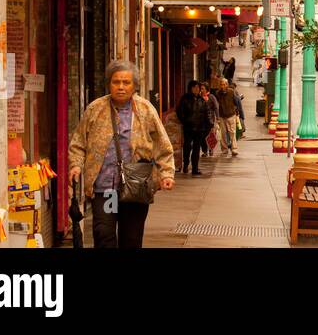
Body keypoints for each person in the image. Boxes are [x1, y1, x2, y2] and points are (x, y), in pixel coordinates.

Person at [68, 59, 174, 248]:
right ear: (109, 84)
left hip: (135, 188)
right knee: (104, 234)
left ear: (134, 86)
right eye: (116, 82)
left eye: (126, 83)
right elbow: (78, 142)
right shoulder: (95, 109)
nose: (121, 87)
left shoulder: (145, 109)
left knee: (131, 238)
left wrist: (166, 173)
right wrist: (76, 164)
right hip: (106, 188)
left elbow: (162, 144)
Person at [175, 80, 212, 176]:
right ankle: (186, 164)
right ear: (190, 88)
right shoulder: (185, 99)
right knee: (187, 147)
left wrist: (210, 124)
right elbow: (180, 112)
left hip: (199, 129)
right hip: (188, 128)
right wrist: (185, 121)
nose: (196, 89)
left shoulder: (202, 101)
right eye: (194, 87)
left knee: (196, 149)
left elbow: (207, 113)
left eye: (198, 88)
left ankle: (195, 168)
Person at [213, 78, 240, 156]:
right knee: (223, 134)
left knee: (232, 133)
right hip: (222, 116)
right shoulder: (217, 93)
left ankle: (234, 149)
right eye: (221, 84)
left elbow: (236, 102)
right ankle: (224, 149)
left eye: (224, 84)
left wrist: (237, 111)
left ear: (227, 85)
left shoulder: (231, 92)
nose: (222, 86)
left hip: (231, 115)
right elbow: (216, 105)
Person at [200, 82, 220, 157]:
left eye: (203, 89)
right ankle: (204, 151)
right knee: (202, 136)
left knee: (210, 135)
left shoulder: (211, 97)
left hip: (210, 120)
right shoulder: (199, 97)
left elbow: (216, 107)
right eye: (201, 89)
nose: (201, 90)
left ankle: (211, 149)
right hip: (201, 120)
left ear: (206, 89)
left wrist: (217, 118)